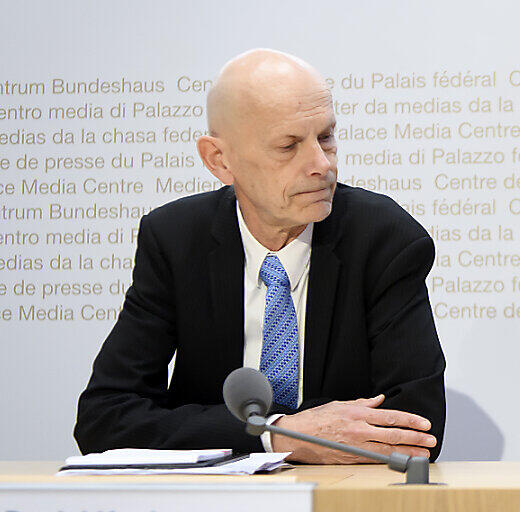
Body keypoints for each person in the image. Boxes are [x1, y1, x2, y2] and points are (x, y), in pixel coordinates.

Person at [74, 49, 445, 463]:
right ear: (220, 160)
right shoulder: (176, 240)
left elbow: (417, 427)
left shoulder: (383, 238)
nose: (321, 165)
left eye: (325, 137)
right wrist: (277, 436)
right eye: (288, 146)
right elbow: (103, 420)